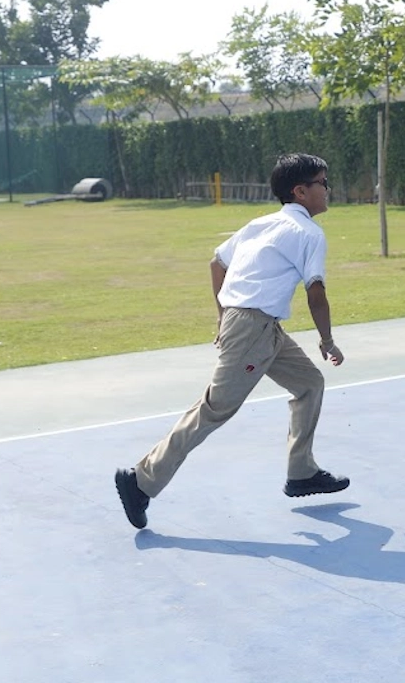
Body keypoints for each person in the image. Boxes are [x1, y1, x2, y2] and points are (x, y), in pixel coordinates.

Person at [115, 153, 349, 530]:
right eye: (323, 183)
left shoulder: (261, 224)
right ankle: (141, 481)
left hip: (262, 327)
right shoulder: (309, 233)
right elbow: (316, 293)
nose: (328, 189)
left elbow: (216, 263)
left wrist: (223, 315)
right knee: (214, 409)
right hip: (253, 330)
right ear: (301, 191)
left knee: (309, 383)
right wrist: (327, 339)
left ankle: (301, 472)